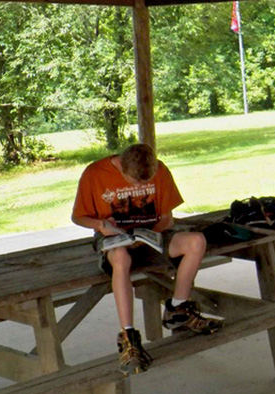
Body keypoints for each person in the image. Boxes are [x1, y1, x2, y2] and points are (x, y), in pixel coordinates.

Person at [72, 143, 219, 374]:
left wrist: (152, 234)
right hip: (114, 238)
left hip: (151, 236)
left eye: (146, 182)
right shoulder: (95, 173)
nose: (141, 186)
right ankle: (128, 337)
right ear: (121, 165)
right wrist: (102, 225)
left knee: (196, 241)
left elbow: (167, 218)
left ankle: (178, 308)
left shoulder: (159, 169)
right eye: (136, 182)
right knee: (121, 258)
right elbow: (78, 217)